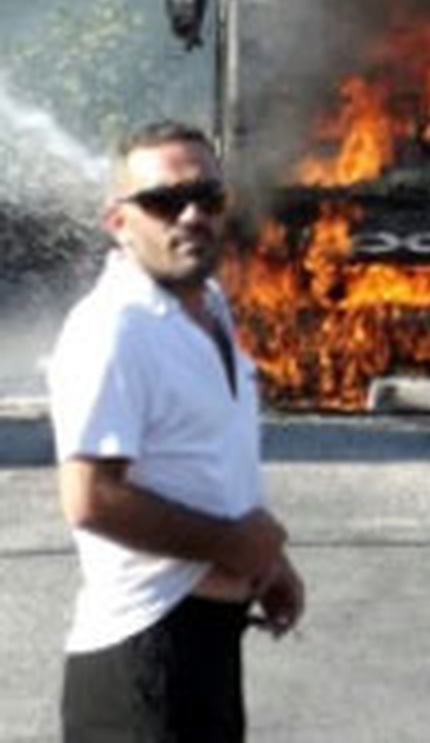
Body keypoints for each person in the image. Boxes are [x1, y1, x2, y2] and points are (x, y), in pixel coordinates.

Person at [49, 121, 305, 742]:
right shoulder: (114, 328)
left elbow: (205, 458)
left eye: (209, 198)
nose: (192, 216)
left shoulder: (210, 306)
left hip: (205, 653)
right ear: (119, 221)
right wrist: (234, 544)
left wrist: (266, 561)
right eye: (165, 201)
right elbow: (91, 498)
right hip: (144, 662)